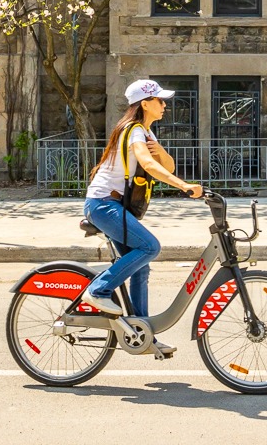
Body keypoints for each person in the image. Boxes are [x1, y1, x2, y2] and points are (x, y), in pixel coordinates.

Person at [82, 79, 203, 353]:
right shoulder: (134, 130)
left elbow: (166, 163)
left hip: (114, 206)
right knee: (150, 247)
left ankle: (142, 333)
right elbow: (147, 164)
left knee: (141, 266)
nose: (164, 105)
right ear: (145, 103)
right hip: (103, 204)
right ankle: (98, 290)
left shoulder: (147, 133)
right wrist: (183, 186)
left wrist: (159, 150)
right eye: (160, 100)